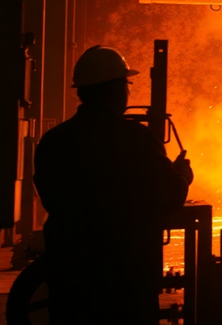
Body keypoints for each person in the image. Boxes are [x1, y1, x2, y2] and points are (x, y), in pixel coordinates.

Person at [34, 46, 193, 325]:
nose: (128, 92)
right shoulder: (136, 139)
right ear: (115, 90)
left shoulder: (54, 141)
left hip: (71, 279)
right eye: (126, 84)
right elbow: (167, 197)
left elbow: (54, 199)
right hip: (125, 281)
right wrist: (182, 176)